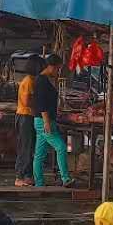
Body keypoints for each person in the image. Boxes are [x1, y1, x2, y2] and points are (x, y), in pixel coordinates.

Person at [31, 54, 73, 187]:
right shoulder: (41, 81)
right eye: (57, 69)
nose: (58, 72)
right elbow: (41, 103)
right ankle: (65, 178)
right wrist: (46, 122)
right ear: (51, 67)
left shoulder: (44, 80)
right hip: (43, 120)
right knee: (61, 147)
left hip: (42, 120)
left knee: (40, 153)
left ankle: (39, 183)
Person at [14, 61, 37, 186]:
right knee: (25, 147)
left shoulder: (31, 80)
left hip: (27, 115)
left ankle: (27, 175)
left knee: (29, 147)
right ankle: (20, 176)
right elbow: (27, 101)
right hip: (25, 116)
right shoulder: (28, 81)